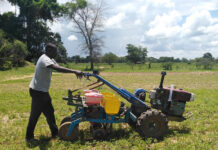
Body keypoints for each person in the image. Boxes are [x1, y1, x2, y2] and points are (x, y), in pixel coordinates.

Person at [25, 43, 83, 142]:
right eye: (55, 51)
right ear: (48, 51)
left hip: (43, 91)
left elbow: (58, 66)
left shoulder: (50, 58)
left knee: (50, 112)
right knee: (35, 115)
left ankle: (55, 133)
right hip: (38, 91)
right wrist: (74, 71)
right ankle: (29, 137)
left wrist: (76, 72)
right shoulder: (44, 59)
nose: (56, 53)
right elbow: (57, 68)